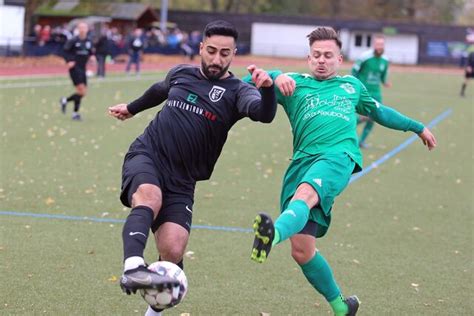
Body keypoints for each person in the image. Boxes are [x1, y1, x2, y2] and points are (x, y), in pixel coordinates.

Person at [246, 26, 437, 316]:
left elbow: (379, 112)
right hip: (301, 163)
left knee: (307, 193)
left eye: (328, 55)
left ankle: (271, 236)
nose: (322, 60)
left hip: (339, 157)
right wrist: (273, 76)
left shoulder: (352, 86)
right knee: (302, 251)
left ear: (339, 58)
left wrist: (416, 126)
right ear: (308, 58)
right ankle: (341, 307)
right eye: (316, 55)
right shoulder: (294, 84)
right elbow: (248, 82)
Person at [108, 20, 277, 316]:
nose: (216, 59)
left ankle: (152, 312)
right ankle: (133, 266)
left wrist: (267, 90)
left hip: (183, 179)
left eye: (225, 53)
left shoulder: (238, 91)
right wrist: (131, 108)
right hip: (148, 154)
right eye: (211, 50)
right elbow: (158, 91)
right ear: (201, 47)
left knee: (172, 251)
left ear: (234, 54)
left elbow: (263, 115)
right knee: (149, 197)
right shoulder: (181, 73)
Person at [351, 36, 391, 148]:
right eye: (377, 44)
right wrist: (355, 84)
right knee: (366, 116)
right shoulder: (365, 57)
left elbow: (382, 74)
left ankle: (361, 141)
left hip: (376, 92)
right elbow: (354, 70)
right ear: (374, 45)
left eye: (381, 45)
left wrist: (385, 82)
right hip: (364, 91)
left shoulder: (385, 60)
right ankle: (345, 128)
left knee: (375, 117)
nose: (379, 47)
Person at [59, 22, 95, 121]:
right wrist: (69, 61)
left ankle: (65, 101)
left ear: (87, 29)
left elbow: (91, 52)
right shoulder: (73, 40)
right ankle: (75, 113)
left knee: (82, 93)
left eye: (85, 27)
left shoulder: (89, 41)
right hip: (75, 69)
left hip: (83, 68)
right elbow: (64, 51)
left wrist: (92, 57)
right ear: (78, 29)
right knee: (81, 91)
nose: (83, 29)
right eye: (81, 27)